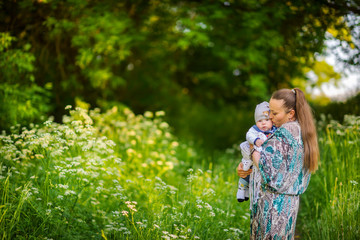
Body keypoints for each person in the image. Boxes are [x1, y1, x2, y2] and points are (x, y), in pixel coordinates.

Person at [236, 88, 319, 239]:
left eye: (275, 113)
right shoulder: (299, 129)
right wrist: (244, 167)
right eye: (270, 112)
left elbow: (266, 167)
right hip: (287, 205)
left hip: (273, 207)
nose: (270, 117)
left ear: (291, 114)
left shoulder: (285, 133)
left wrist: (252, 148)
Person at [237, 101, 276, 202]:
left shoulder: (275, 130)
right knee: (246, 169)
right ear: (256, 122)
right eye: (260, 121)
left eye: (267, 120)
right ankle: (241, 190)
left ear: (271, 120)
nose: (263, 123)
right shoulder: (255, 130)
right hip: (251, 156)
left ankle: (246, 191)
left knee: (251, 174)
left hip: (261, 161)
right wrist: (255, 141)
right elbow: (248, 135)